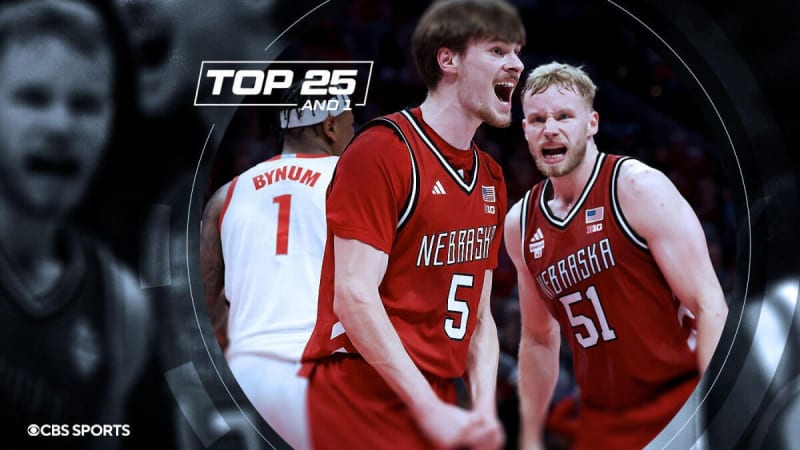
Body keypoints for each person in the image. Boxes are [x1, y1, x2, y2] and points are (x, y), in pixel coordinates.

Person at [298, 1, 525, 448]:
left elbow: (479, 320)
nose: (516, 64)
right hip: (359, 393)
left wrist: (481, 413)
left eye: (518, 51)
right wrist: (429, 409)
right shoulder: (383, 151)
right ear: (449, 59)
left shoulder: (491, 177)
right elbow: (354, 296)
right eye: (498, 50)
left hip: (434, 398)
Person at [504, 62, 729, 450]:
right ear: (525, 130)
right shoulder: (520, 224)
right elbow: (539, 338)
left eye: (563, 116)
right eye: (538, 119)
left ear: (591, 123)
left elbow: (709, 305)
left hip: (677, 408)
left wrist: (716, 416)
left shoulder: (638, 188)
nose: (550, 128)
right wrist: (529, 434)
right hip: (602, 424)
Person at [0, 0, 152, 448]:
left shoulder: (120, 305)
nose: (62, 125)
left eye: (85, 105)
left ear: (109, 122)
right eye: (33, 98)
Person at [199, 82, 354, 450]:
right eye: (351, 122)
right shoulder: (359, 182)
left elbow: (206, 313)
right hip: (326, 375)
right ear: (330, 126)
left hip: (246, 377)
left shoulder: (224, 197)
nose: (355, 132)